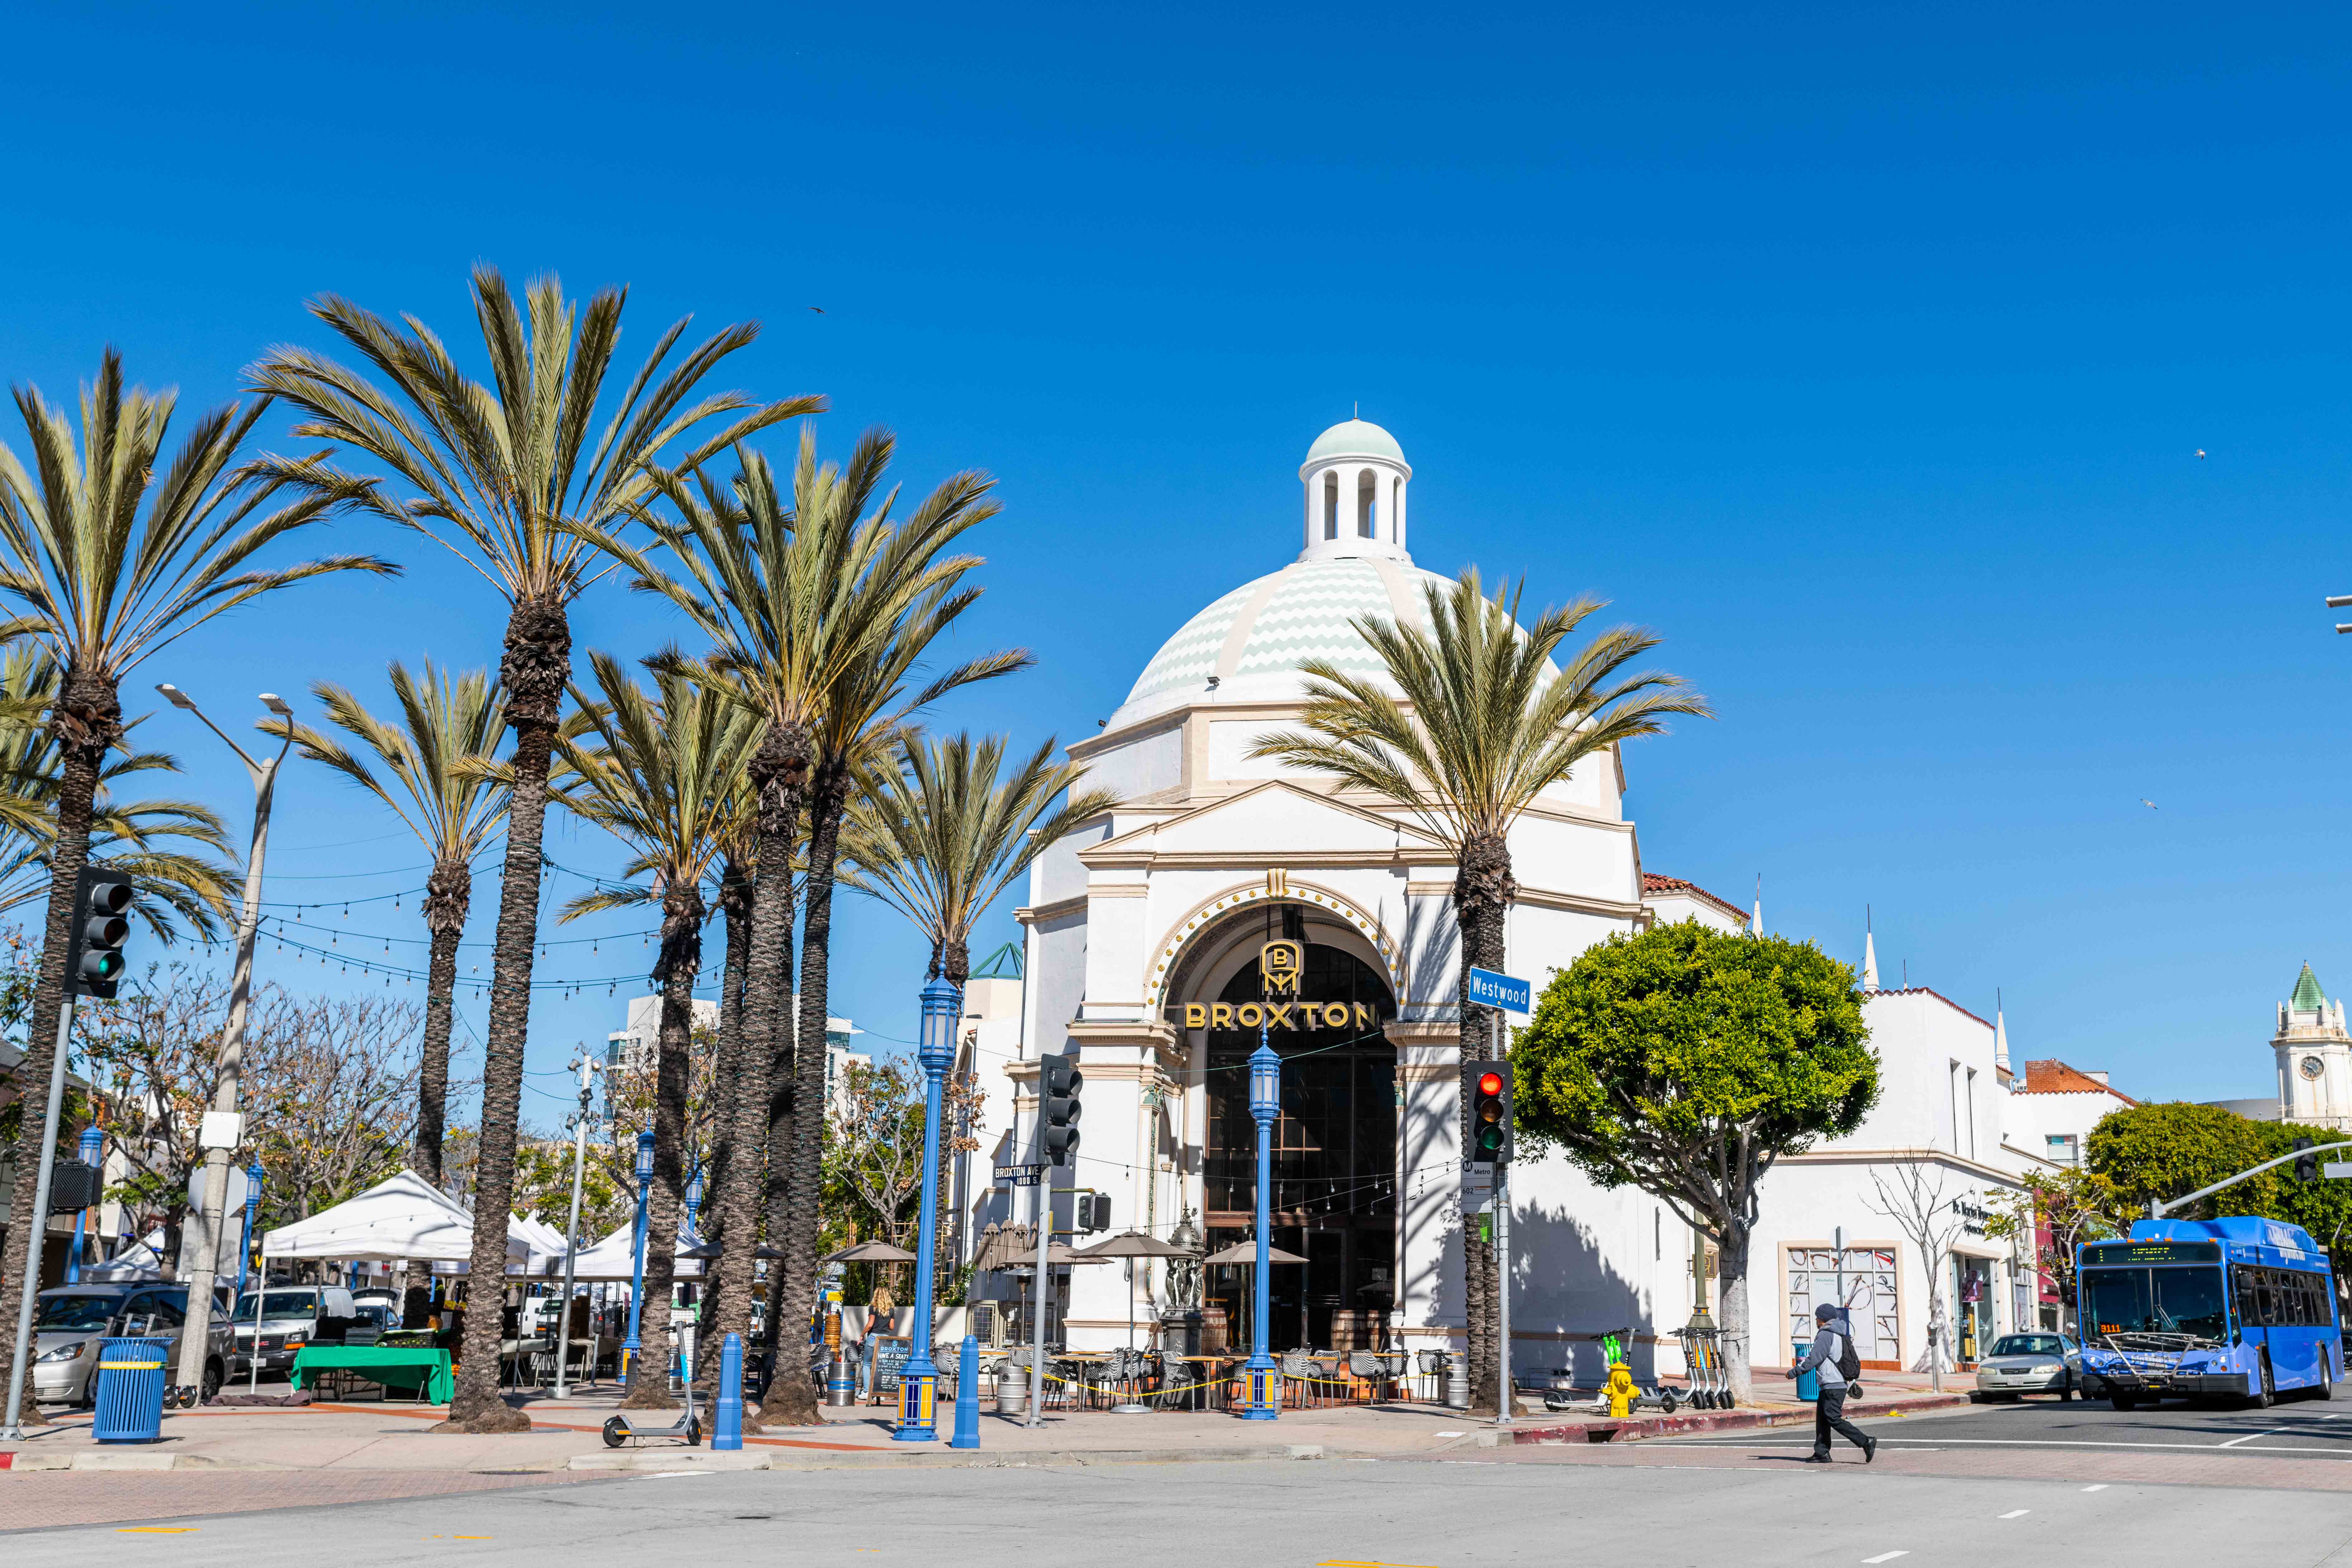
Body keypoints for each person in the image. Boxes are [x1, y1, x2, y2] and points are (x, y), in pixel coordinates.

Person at [1792, 1301, 1876, 1464]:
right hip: (1833, 1384)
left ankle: (1866, 1442)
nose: (1816, 1321)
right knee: (1823, 1420)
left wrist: (1795, 1372)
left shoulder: (1826, 1335)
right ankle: (1822, 1452)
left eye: (1817, 1318)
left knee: (1834, 1419)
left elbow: (1813, 1359)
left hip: (1833, 1385)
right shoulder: (1839, 1334)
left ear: (1822, 1320)